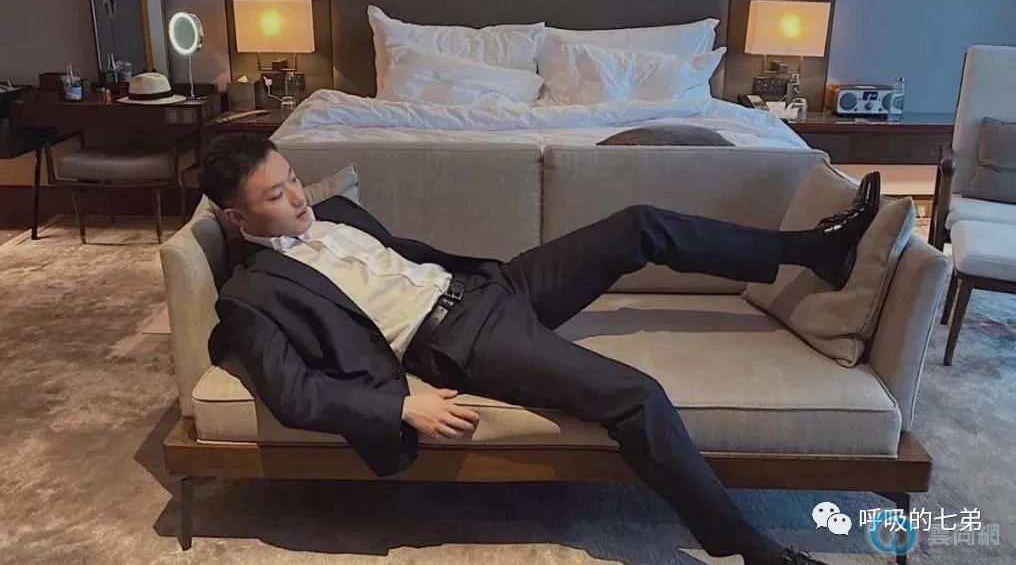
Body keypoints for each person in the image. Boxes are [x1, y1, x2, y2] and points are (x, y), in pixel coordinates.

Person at [200, 133, 882, 565]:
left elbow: (405, 260)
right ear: (235, 216)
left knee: (639, 225)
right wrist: (400, 407)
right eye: (276, 194)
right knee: (636, 397)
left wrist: (484, 278)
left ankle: (812, 251)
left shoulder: (334, 212)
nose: (298, 197)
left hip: (489, 286)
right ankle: (750, 548)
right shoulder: (253, 293)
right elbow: (292, 392)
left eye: (293, 177)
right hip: (460, 336)